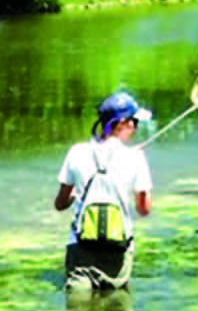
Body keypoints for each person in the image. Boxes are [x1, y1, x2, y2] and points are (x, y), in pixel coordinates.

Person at [54, 91, 154, 291]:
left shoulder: (77, 152)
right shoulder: (136, 157)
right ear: (122, 123)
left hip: (80, 246)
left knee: (78, 310)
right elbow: (144, 210)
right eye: (134, 121)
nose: (135, 127)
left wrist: (74, 197)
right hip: (118, 249)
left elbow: (60, 204)